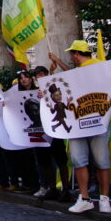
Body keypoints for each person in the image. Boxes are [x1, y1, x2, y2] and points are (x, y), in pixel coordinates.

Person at [49, 40, 111, 214]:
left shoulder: (98, 66)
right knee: (85, 160)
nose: (71, 58)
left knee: (93, 160)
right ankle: (92, 199)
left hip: (92, 120)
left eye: (71, 54)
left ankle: (97, 198)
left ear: (76, 54)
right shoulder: (94, 67)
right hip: (83, 121)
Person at [32, 65, 71, 202]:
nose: (39, 77)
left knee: (61, 160)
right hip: (42, 130)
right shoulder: (34, 91)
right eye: (37, 75)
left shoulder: (53, 88)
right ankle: (52, 188)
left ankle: (66, 189)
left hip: (55, 130)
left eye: (42, 74)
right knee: (45, 161)